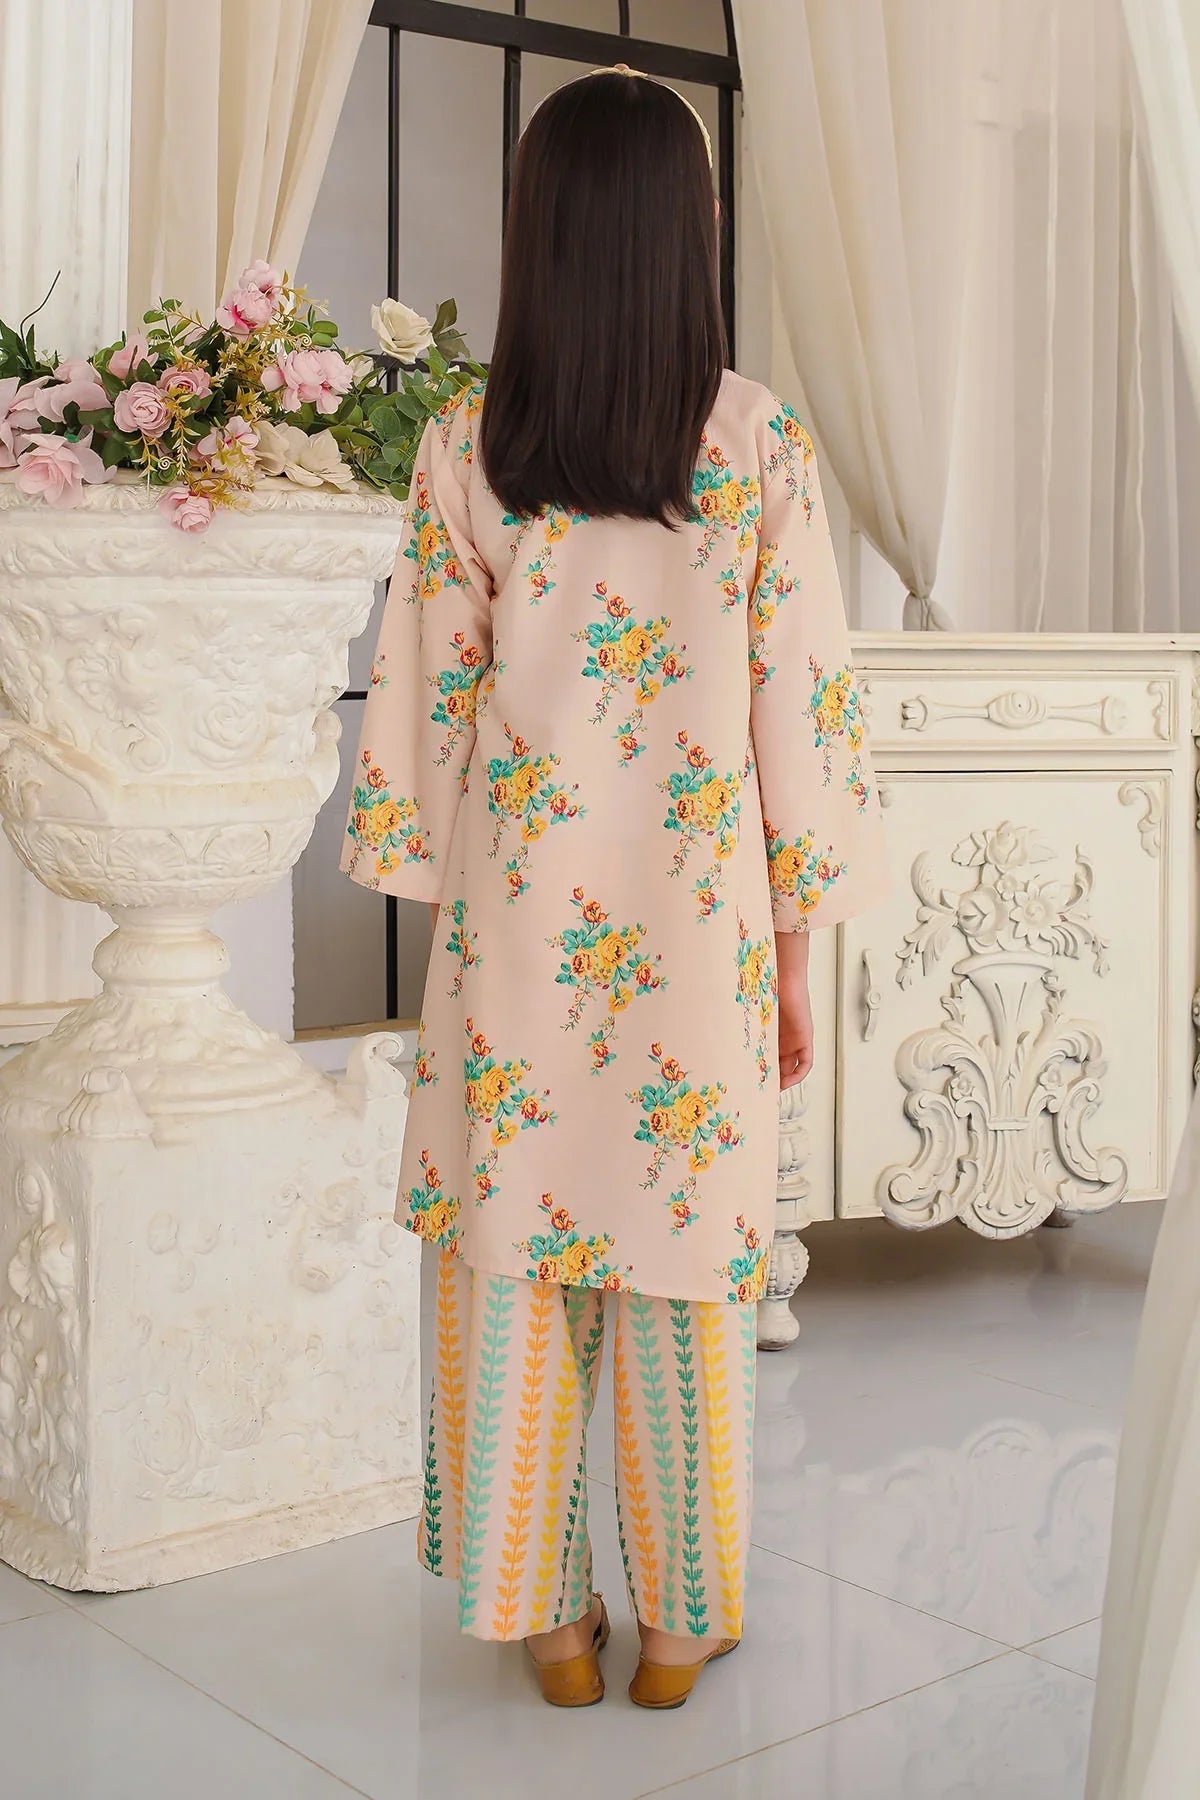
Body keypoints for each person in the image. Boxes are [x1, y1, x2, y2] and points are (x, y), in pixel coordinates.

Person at [342, 65, 887, 1710]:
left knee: (514, 1247)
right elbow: (801, 713)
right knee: (684, 1254)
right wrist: (796, 954)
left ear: (543, 229)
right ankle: (682, 1626)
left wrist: (437, 916)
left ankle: (549, 1622)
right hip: (698, 933)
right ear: (687, 229)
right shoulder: (753, 438)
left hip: (519, 928)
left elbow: (426, 709)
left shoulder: (470, 440)